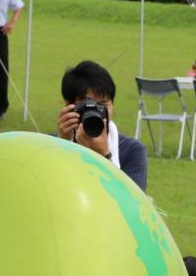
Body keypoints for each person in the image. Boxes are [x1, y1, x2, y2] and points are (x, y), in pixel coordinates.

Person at [56, 60, 148, 192]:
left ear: (113, 106)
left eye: (102, 105)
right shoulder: (51, 145)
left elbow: (133, 201)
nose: (95, 113)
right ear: (69, 107)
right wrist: (62, 144)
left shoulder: (131, 150)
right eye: (87, 105)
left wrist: (105, 155)